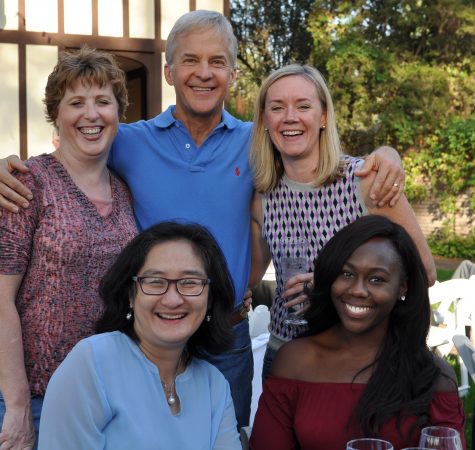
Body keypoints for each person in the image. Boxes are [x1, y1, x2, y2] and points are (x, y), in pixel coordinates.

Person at [0, 11, 406, 428]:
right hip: (148, 338)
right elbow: (75, 144)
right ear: (169, 71)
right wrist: (5, 167)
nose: (204, 73)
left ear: (232, 73)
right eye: (191, 60)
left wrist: (387, 157)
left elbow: (317, 167)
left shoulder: (259, 143)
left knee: (226, 437)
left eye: (217, 62)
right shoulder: (128, 141)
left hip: (225, 337)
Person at [248, 64, 436, 378]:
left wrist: (329, 285)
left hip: (359, 359)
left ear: (323, 117)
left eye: (304, 106)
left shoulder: (364, 182)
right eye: (277, 107)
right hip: (286, 356)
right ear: (265, 121)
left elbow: (424, 272)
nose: (290, 117)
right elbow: (248, 277)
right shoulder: (262, 196)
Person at [0, 48, 138, 450]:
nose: (91, 115)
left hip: (107, 397)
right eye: (76, 102)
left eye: (103, 102)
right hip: (39, 398)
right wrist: (19, 405)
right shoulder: (27, 184)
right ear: (56, 114)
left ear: (118, 112)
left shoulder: (124, 190)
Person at [250, 215, 465, 450]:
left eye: (376, 279)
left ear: (402, 287)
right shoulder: (295, 362)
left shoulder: (431, 375)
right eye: (347, 274)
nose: (358, 290)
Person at [38, 222, 241, 450]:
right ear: (130, 296)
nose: (172, 300)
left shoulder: (214, 384)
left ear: (210, 299)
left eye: (189, 282)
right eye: (155, 282)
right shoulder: (92, 363)